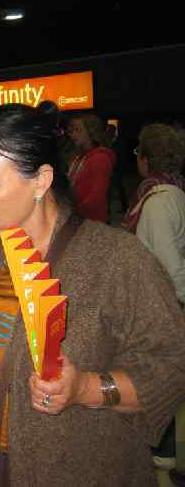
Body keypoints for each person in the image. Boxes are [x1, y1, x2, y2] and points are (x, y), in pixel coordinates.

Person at [0, 102, 185, 486]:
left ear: (41, 181)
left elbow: (172, 364)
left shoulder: (117, 260)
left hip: (82, 470)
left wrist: (86, 388)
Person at [123, 122, 185, 471]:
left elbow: (168, 266)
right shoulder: (174, 193)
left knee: (156, 379)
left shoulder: (158, 202)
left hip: (161, 305)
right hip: (164, 302)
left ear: (146, 159)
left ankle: (163, 449)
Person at [66, 113, 115, 222]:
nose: (73, 135)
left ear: (91, 132)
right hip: (79, 218)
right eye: (72, 131)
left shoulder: (100, 158)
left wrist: (76, 211)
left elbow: (97, 195)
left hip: (92, 220)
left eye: (78, 130)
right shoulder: (79, 157)